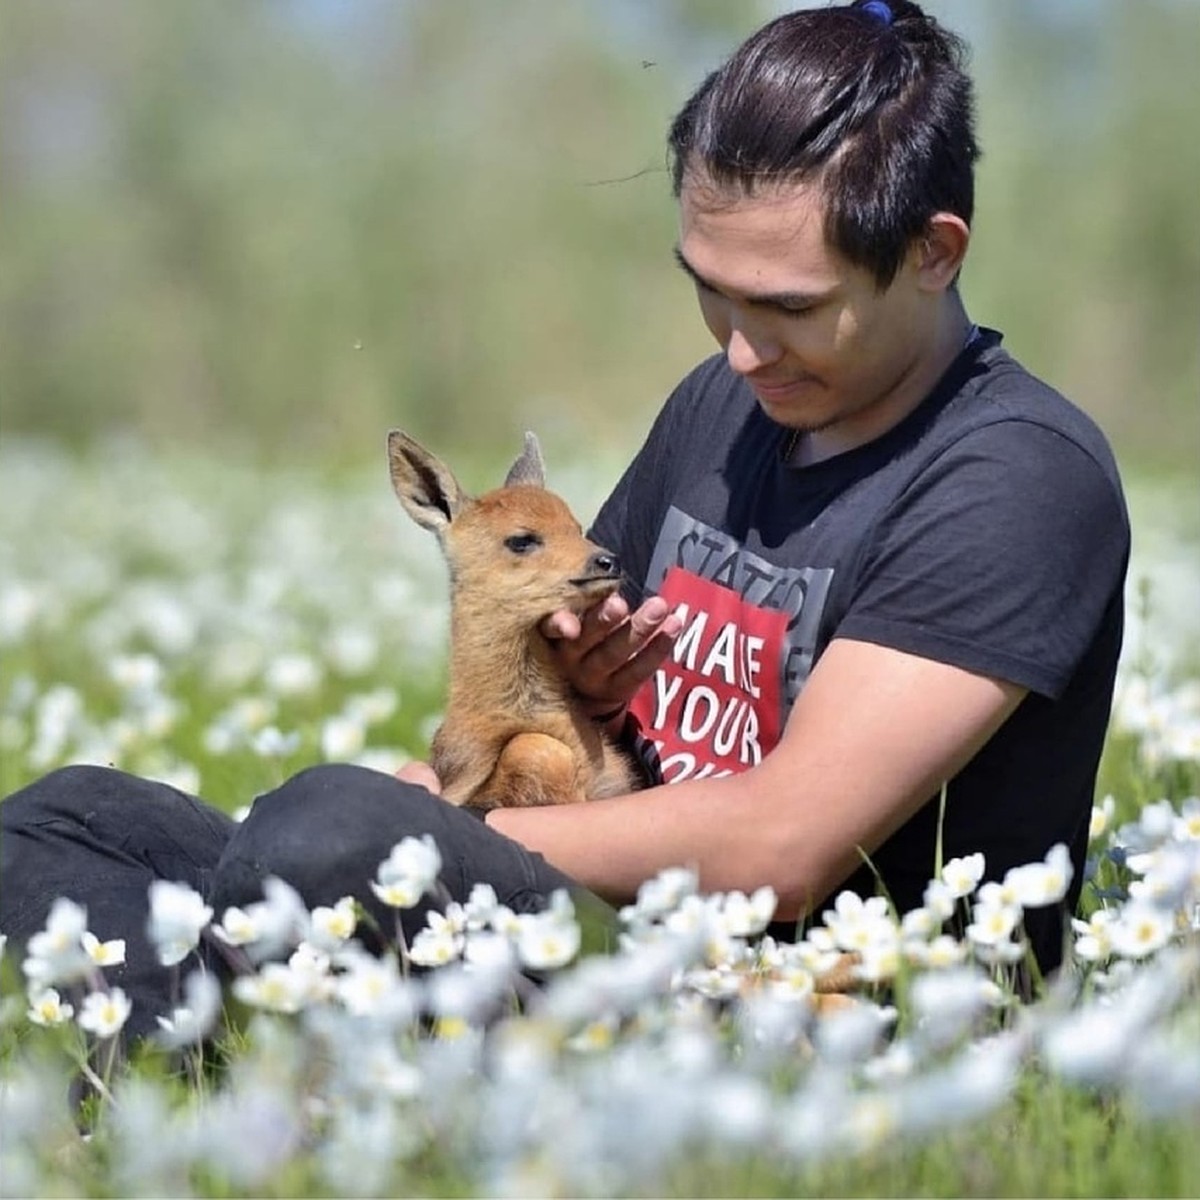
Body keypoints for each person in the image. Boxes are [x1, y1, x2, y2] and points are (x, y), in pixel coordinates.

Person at [1, 0, 1128, 1037]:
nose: (738, 348)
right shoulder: (731, 402)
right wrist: (456, 778)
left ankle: (250, 1018)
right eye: (710, 289)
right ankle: (196, 1060)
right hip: (576, 893)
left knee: (326, 840)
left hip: (785, 994)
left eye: (788, 307)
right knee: (68, 822)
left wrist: (426, 846)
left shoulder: (1016, 479)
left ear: (932, 252)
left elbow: (782, 847)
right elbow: (555, 681)